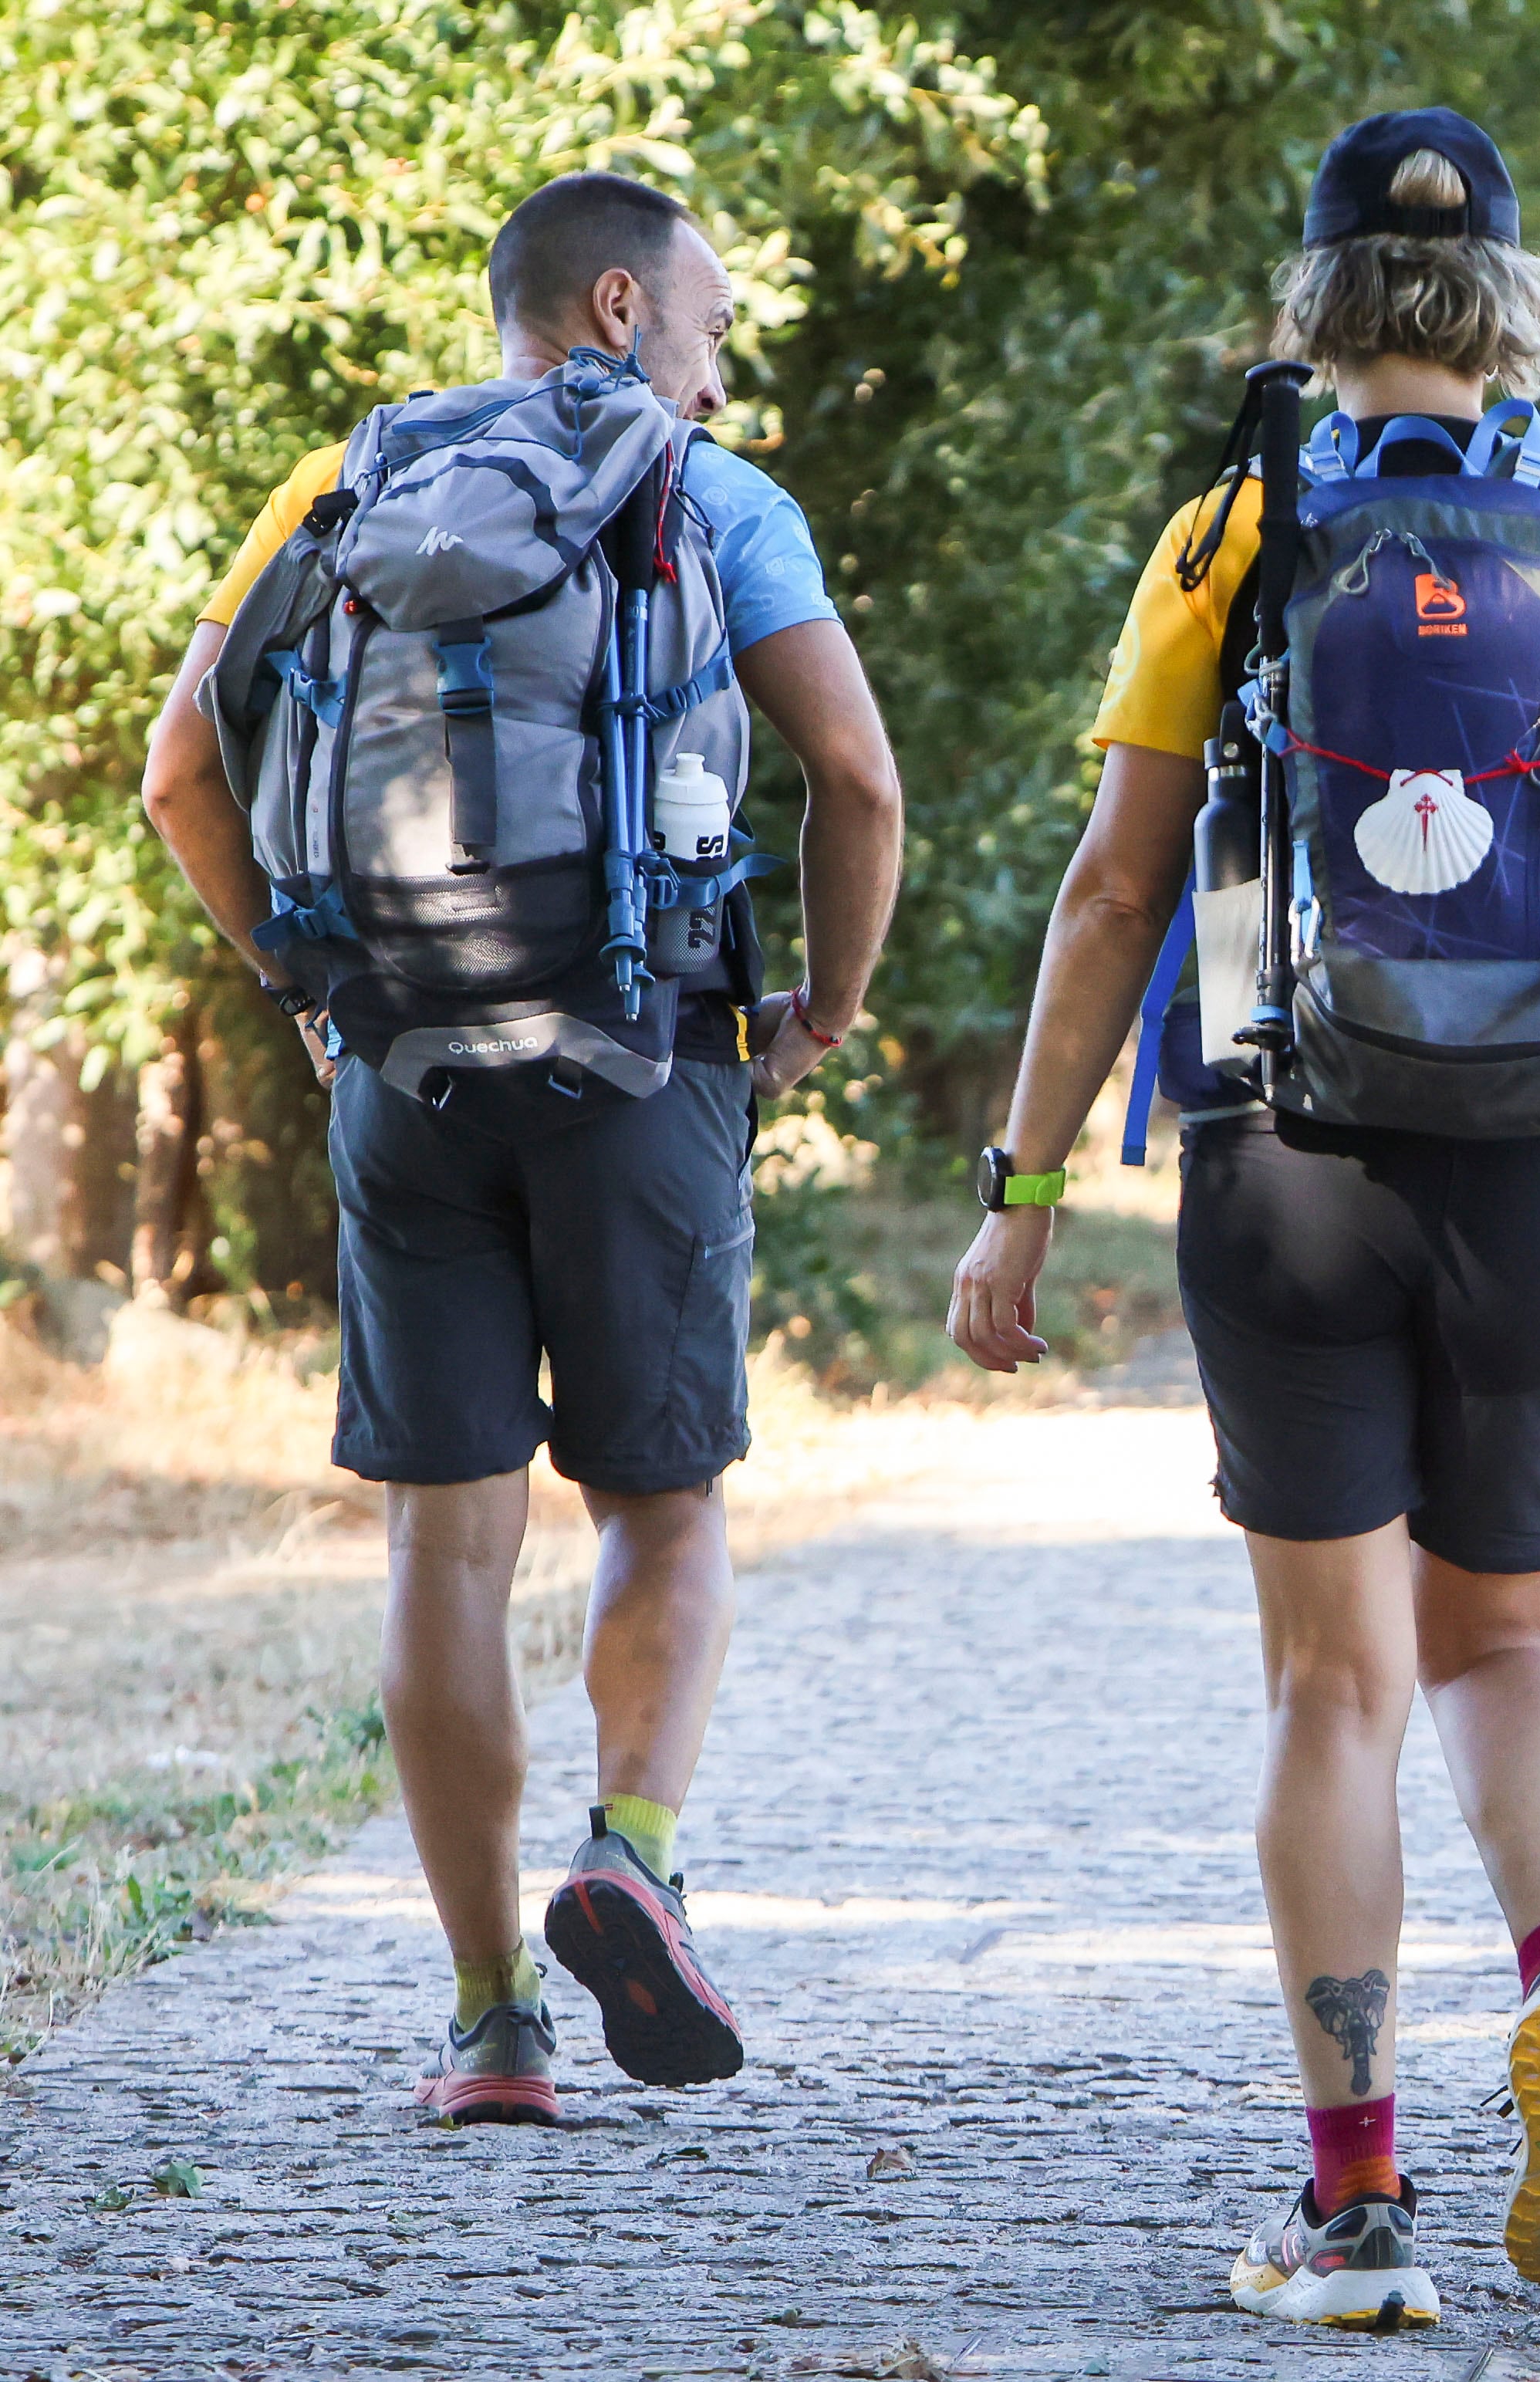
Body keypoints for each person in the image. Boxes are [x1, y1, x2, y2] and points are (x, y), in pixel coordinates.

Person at [946, 109, 1540, 2328]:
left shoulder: (1233, 527)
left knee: (1335, 1680)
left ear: (1311, 305)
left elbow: (1115, 888)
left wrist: (1024, 1189)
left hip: (1287, 1149)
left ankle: (1354, 2200)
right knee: (1513, 1642)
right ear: (1511, 303)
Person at [141, 171, 904, 2123]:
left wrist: (308, 982)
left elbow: (179, 770)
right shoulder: (714, 497)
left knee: (444, 1538)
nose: (719, 373)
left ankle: (491, 2023)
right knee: (665, 1503)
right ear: (621, 306)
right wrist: (817, 1009)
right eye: (712, 329)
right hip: (649, 1059)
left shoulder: (343, 485)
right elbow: (857, 777)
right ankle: (630, 1848)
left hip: (404, 1064)